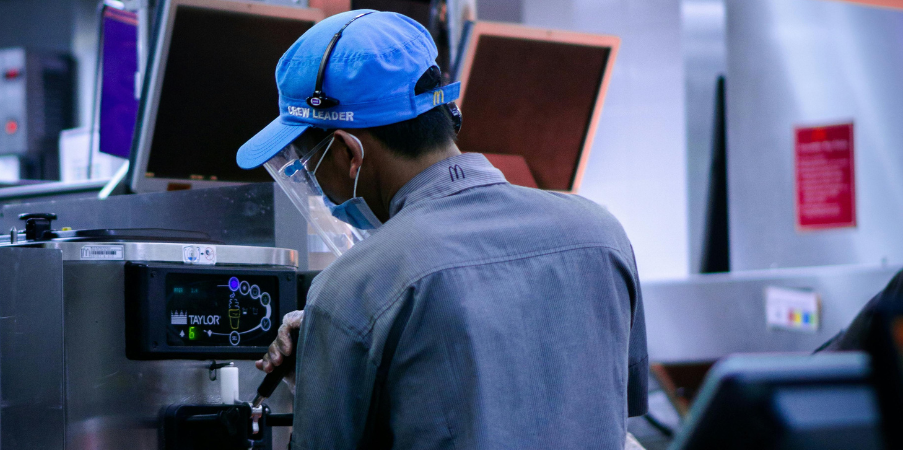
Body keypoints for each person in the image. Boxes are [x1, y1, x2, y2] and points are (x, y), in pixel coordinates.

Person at [236, 10, 648, 449]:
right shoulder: (602, 235)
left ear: (348, 152)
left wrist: (325, 366)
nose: (317, 186)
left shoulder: (354, 287)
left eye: (310, 166)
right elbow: (608, 416)